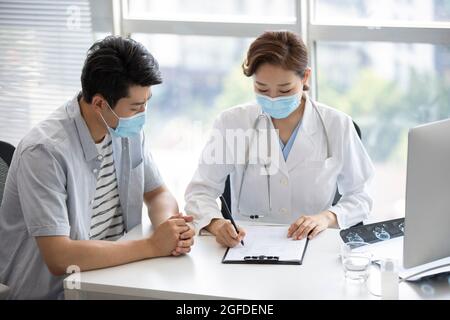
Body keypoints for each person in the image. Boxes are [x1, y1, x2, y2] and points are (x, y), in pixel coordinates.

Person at [0, 36, 194, 299]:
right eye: (136, 107)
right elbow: (59, 257)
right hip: (58, 291)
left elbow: (158, 193)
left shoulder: (125, 128)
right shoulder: (44, 151)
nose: (143, 114)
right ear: (100, 103)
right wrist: (152, 245)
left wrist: (171, 230)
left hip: (115, 275)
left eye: (146, 103)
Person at [185, 31, 374, 247]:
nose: (273, 98)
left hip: (313, 245)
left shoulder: (337, 125)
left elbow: (362, 194)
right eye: (262, 89)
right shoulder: (231, 122)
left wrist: (327, 217)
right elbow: (200, 191)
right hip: (247, 246)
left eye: (285, 90)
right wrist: (217, 224)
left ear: (305, 77)